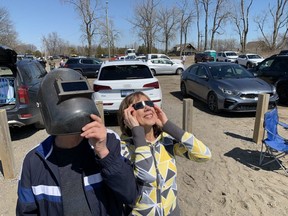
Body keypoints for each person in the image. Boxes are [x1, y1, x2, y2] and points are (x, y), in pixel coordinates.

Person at [16, 68, 138, 216]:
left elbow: (130, 195)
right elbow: (26, 211)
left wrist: (103, 153)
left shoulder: (109, 142)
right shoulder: (35, 160)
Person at [118, 92, 212, 216]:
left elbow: (204, 155)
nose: (147, 107)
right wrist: (137, 133)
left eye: (149, 103)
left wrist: (168, 126)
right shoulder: (122, 148)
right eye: (139, 105)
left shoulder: (166, 141)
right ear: (127, 116)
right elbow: (148, 175)